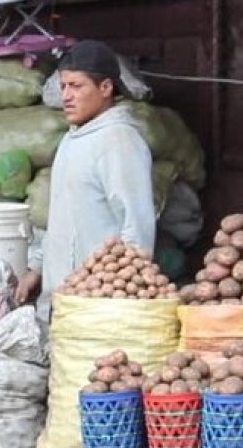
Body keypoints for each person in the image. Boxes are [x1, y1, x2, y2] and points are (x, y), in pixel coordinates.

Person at [15, 40, 156, 315]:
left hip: (99, 305)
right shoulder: (72, 138)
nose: (66, 96)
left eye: (76, 86)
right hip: (65, 303)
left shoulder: (119, 140)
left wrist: (124, 294)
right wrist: (38, 268)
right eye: (64, 86)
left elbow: (136, 227)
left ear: (105, 88)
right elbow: (62, 220)